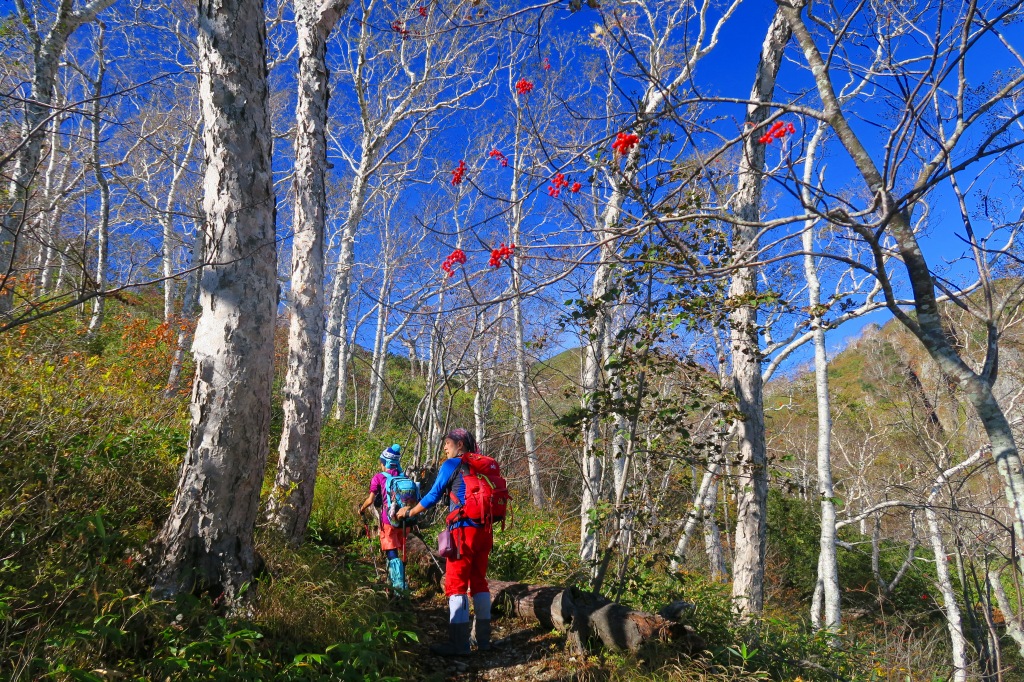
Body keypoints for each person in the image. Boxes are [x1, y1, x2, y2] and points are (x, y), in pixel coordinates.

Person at [396, 428, 492, 656]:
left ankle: (459, 645)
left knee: (456, 585)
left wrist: (410, 512)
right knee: (479, 582)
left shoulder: (452, 465)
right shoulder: (482, 464)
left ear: (460, 445)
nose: (445, 448)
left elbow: (433, 495)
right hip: (485, 531)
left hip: (463, 531)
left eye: (448, 443)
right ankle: (483, 641)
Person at [359, 444, 408, 592]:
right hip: (405, 521)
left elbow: (371, 500)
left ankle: (398, 587)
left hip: (389, 521)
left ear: (384, 463)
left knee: (391, 552)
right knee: (398, 551)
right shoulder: (403, 476)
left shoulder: (379, 477)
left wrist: (361, 509)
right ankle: (394, 583)